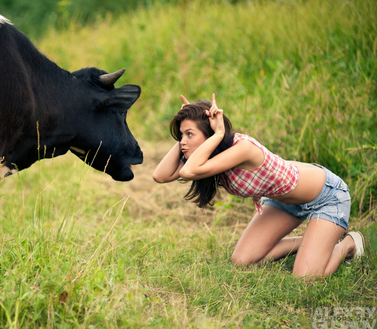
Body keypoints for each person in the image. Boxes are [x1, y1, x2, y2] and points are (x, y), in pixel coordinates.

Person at [153, 94, 365, 279]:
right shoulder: (207, 156)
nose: (182, 141)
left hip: (326, 197)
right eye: (182, 135)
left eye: (189, 135)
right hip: (282, 202)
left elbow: (188, 172)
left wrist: (217, 133)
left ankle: (346, 244)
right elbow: (160, 176)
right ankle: (312, 243)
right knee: (242, 260)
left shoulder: (242, 148)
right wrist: (187, 131)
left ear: (209, 135)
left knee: (306, 278)